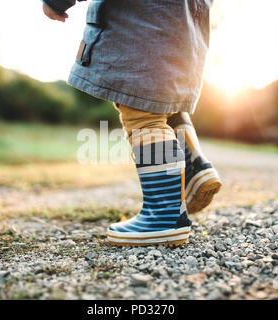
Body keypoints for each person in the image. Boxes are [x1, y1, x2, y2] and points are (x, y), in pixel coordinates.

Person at [42, 0, 222, 246]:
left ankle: (164, 216)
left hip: (141, 25)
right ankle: (193, 167)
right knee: (163, 103)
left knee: (143, 115)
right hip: (187, 25)